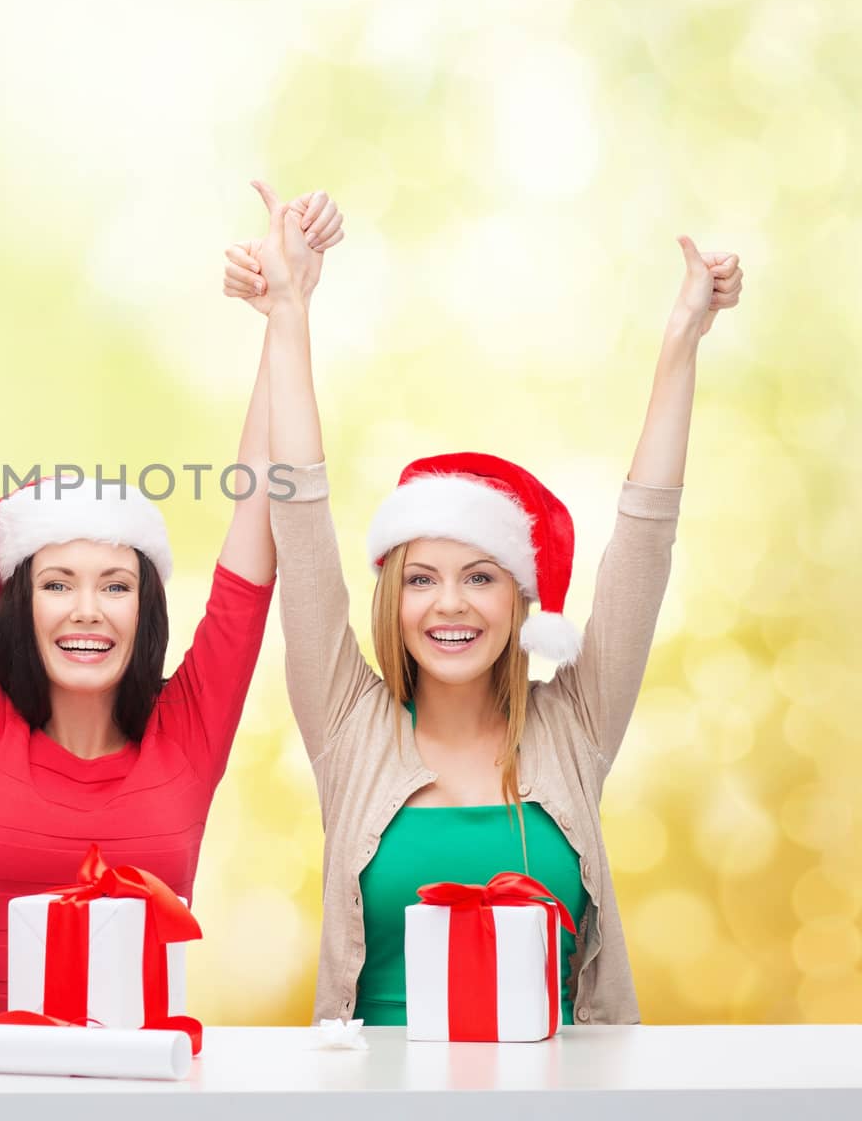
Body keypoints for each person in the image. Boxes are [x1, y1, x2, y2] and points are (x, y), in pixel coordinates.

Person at [226, 189, 743, 1026]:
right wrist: (288, 314)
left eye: (480, 577)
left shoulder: (573, 725)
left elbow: (644, 542)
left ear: (520, 600)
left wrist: (684, 337)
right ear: (394, 599)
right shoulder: (350, 727)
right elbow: (301, 522)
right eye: (422, 578)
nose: (449, 604)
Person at [0, 156, 339, 1020]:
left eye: (116, 585)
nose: (86, 610)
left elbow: (256, 519)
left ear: (145, 610)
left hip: (152, 1085)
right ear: (18, 604)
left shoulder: (187, 733)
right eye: (58, 585)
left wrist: (284, 317)